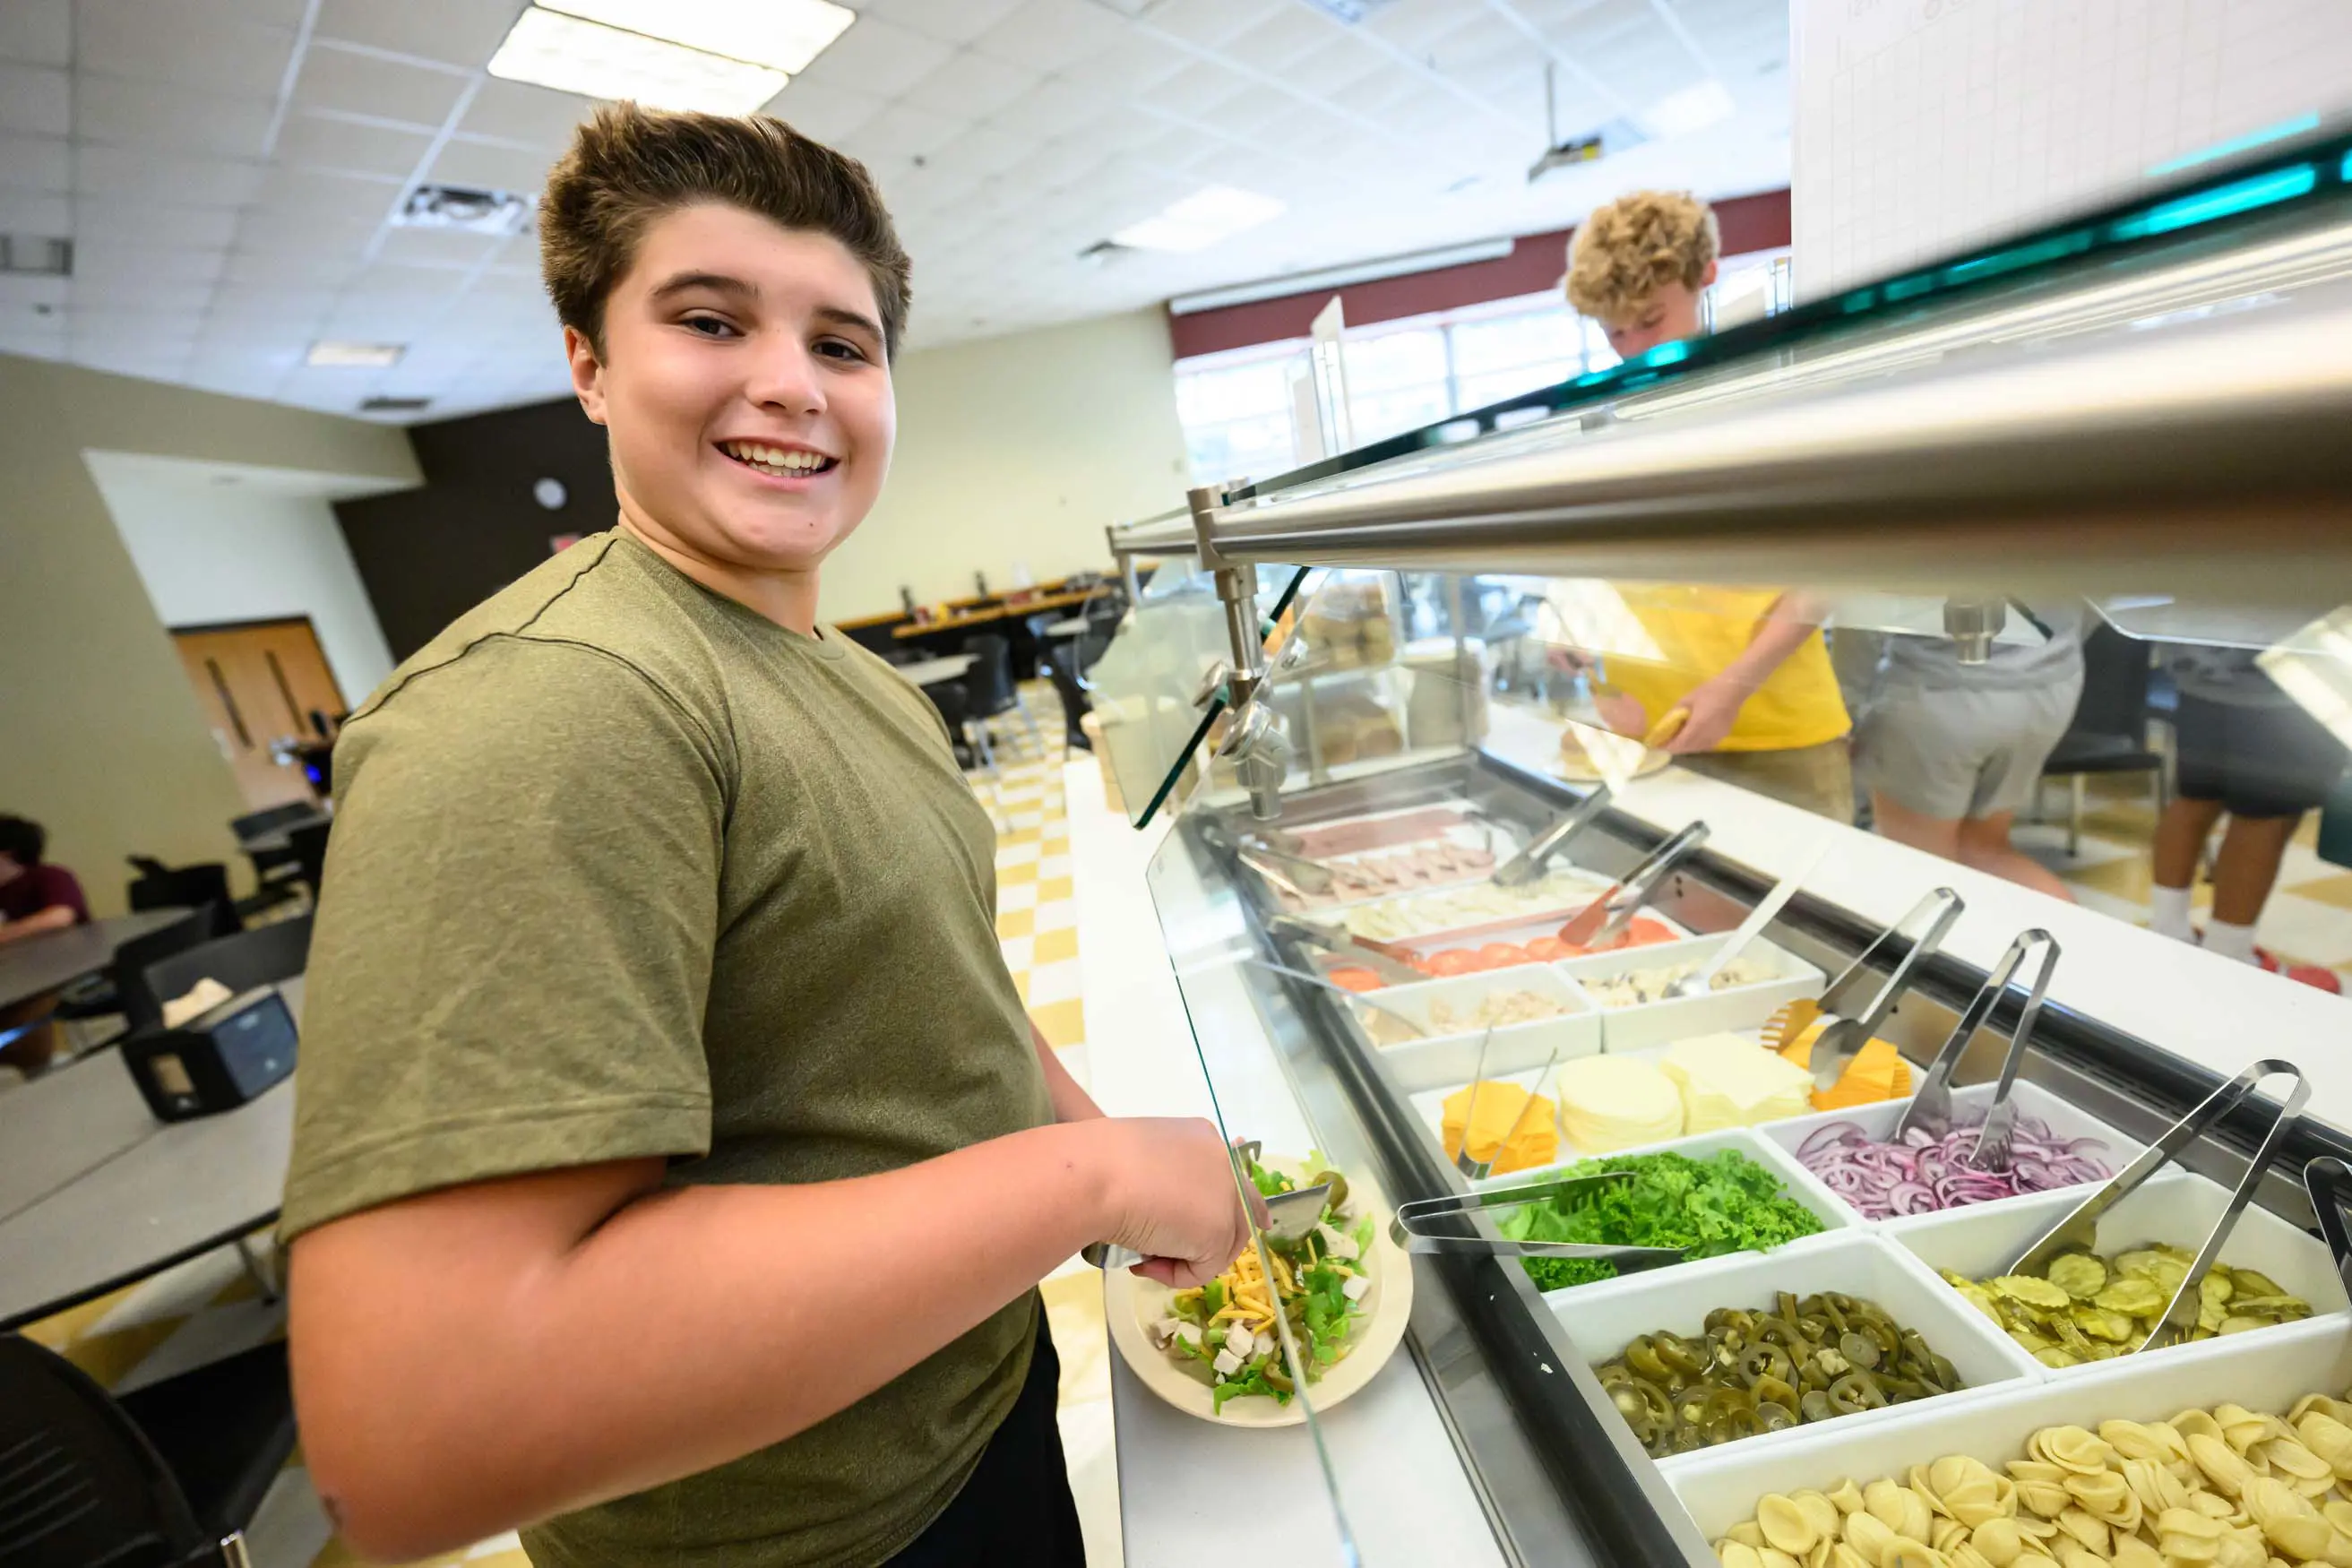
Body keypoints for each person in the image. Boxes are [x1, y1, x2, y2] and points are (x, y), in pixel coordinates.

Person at [282, 105, 1253, 1566]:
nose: (790, 385)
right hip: (807, 1538)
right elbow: (422, 1433)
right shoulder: (556, 706)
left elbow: (931, 1002)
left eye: (842, 344)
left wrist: (1094, 1142)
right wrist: (1090, 1183)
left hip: (968, 1413)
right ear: (589, 363)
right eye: (710, 319)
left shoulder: (848, 678)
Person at [1563, 191, 1855, 821]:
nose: (1634, 349)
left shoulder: (1770, 402)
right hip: (1639, 733)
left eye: (1650, 320)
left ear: (1704, 278)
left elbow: (1829, 569)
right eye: (1614, 332)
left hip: (1774, 730)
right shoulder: (1604, 420)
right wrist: (1569, 621)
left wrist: (1732, 687)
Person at [1855, 604, 2086, 899]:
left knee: (1919, 869)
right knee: (1984, 851)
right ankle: (2074, 940)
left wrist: (1845, 705)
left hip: (1939, 691)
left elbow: (1862, 607)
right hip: (2047, 686)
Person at [2150, 644, 2348, 989]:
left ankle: (2168, 933)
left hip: (2202, 659)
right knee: (2266, 817)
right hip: (2288, 673)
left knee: (2196, 798)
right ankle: (2229, 958)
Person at [0, 814, 90, 1076]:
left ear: (8, 853)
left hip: (66, 972)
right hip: (17, 977)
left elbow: (60, 917)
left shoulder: (49, 876)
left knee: (23, 1011)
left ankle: (39, 1064)